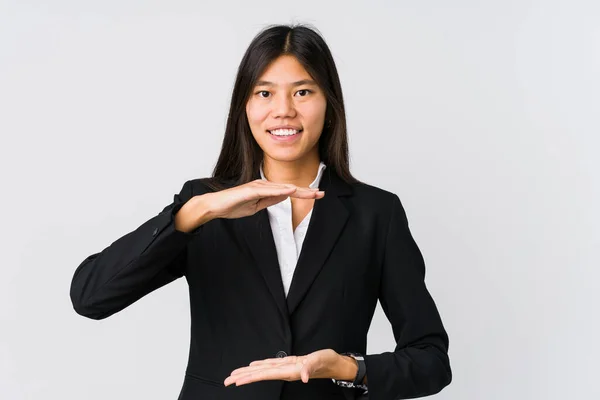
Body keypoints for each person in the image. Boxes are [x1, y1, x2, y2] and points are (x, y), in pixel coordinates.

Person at [69, 23, 452, 400]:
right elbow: (91, 297)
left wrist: (344, 367)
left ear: (329, 103)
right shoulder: (205, 206)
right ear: (245, 106)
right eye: (264, 93)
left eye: (302, 92)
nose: (283, 110)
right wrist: (194, 213)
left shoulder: (376, 214)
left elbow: (431, 360)